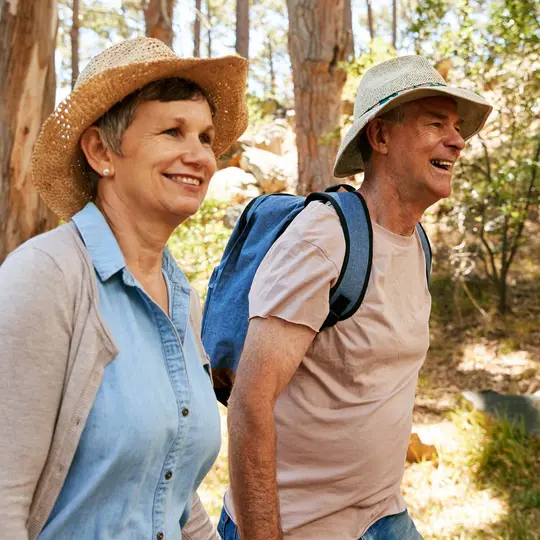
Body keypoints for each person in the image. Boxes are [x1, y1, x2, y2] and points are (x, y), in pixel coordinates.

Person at [220, 56, 493, 540]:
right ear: (380, 136)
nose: (457, 140)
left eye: (457, 128)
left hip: (382, 513)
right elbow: (249, 402)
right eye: (436, 124)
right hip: (303, 527)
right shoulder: (324, 238)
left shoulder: (416, 241)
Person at [0, 37, 247, 540]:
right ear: (100, 151)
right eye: (173, 131)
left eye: (204, 137)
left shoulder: (182, 298)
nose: (200, 156)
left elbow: (172, 493)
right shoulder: (46, 278)